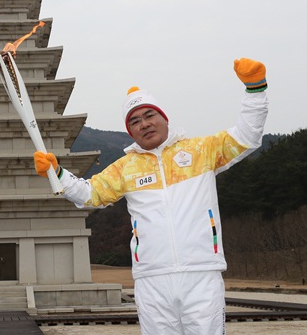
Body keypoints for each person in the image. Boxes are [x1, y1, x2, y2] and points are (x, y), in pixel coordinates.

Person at [33, 58, 268, 334]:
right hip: (152, 279)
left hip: (201, 272)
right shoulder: (125, 168)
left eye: (149, 115)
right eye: (135, 121)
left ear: (163, 117)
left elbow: (247, 137)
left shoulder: (200, 151)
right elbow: (89, 194)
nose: (144, 124)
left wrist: (255, 90)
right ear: (130, 131)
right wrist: (57, 173)